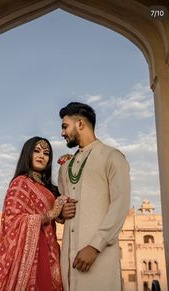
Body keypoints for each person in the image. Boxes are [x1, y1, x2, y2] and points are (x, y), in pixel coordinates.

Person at [58, 102, 131, 291]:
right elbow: (60, 202)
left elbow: (120, 205)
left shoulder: (112, 157)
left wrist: (95, 246)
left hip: (100, 260)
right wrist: (61, 211)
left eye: (65, 126)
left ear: (80, 124)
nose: (62, 133)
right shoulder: (65, 168)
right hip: (68, 264)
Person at [0, 137, 65, 291]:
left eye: (46, 153)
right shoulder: (20, 183)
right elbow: (13, 220)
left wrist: (68, 167)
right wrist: (50, 214)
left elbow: (62, 215)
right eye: (36, 151)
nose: (41, 156)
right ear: (27, 154)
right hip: (31, 251)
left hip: (50, 248)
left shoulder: (50, 188)